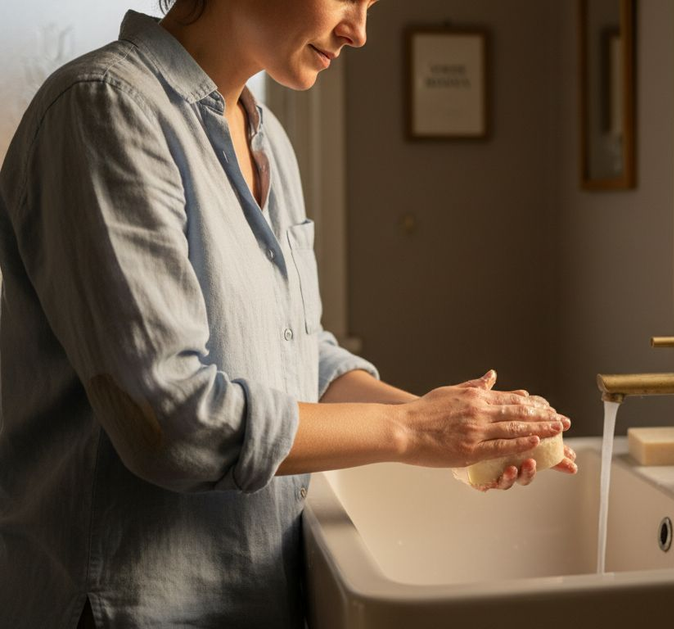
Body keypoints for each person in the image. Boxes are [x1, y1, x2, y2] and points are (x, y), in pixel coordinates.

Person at [0, 1, 577, 627]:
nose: (359, 31)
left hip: (249, 597)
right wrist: (414, 429)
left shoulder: (266, 136)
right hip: (128, 607)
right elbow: (170, 423)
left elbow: (301, 352)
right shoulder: (105, 109)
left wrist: (464, 431)